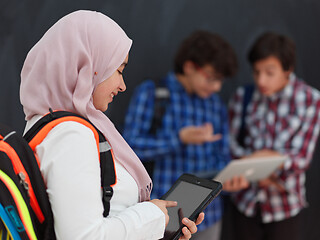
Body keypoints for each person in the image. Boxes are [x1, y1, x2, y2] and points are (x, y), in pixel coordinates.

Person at [19, 10, 204, 240]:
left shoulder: (49, 125)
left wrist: (160, 230)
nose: (122, 85)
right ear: (88, 65)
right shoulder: (70, 134)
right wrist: (152, 216)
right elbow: (83, 236)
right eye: (118, 70)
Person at [123, 30, 240, 240]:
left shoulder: (215, 105)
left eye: (220, 80)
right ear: (189, 67)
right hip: (163, 215)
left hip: (209, 215)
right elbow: (128, 149)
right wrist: (179, 139)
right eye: (211, 78)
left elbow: (223, 154)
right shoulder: (152, 93)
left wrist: (228, 179)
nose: (217, 87)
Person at [227, 32, 320, 240]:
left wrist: (267, 162)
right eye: (256, 72)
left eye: (269, 72)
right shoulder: (243, 97)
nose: (261, 80)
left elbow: (302, 158)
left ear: (288, 69)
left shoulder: (310, 100)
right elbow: (231, 146)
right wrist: (258, 166)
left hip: (284, 206)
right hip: (245, 202)